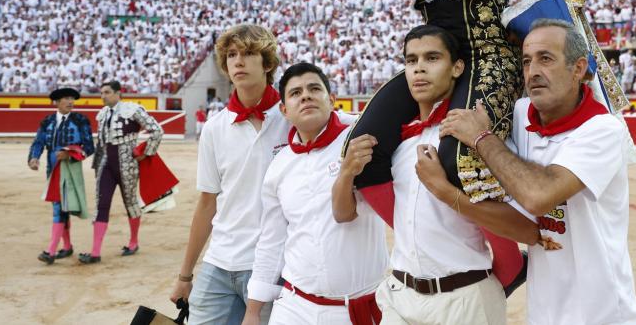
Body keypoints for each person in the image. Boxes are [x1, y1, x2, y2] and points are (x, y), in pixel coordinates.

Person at [284, 0, 621, 286]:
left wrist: (549, 24)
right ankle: (424, 247)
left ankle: (507, 267)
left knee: (460, 161)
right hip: (433, 59)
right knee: (361, 152)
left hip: (490, 52)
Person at [441, 19, 636, 325]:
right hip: (544, 313)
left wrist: (482, 138)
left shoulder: (603, 129)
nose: (533, 71)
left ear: (578, 69)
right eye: (526, 61)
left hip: (602, 315)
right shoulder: (523, 112)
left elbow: (538, 197)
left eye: (546, 59)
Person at [333, 25, 539, 325]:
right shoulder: (397, 144)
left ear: (457, 67)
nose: (419, 69)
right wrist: (346, 172)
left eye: (432, 58)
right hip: (400, 294)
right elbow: (343, 212)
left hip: (465, 297)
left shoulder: (474, 139)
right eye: (411, 60)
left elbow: (514, 226)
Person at [241, 63, 388, 325]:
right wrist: (253, 311)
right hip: (294, 306)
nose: (305, 96)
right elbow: (272, 241)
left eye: (314, 89)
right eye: (295, 93)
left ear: (332, 100)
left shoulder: (360, 143)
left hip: (354, 308)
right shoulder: (279, 166)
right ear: (284, 110)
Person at [169, 24, 289, 325]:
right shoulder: (214, 128)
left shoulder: (293, 119)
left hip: (273, 265)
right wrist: (185, 274)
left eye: (248, 54)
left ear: (268, 63)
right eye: (232, 54)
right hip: (219, 262)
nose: (238, 61)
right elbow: (207, 202)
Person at [79, 80, 164, 264]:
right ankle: (95, 252)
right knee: (102, 204)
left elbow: (157, 131)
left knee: (130, 203)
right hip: (106, 165)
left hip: (128, 164)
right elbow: (101, 145)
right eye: (101, 92)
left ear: (118, 93)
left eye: (107, 92)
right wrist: (97, 167)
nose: (103, 96)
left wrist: (145, 153)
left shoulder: (133, 110)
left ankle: (133, 242)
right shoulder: (102, 114)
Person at [28, 87, 94, 264]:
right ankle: (67, 246)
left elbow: (89, 147)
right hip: (52, 167)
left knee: (60, 206)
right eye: (66, 98)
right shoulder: (47, 121)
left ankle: (51, 250)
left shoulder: (80, 120)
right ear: (56, 102)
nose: (71, 102)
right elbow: (38, 142)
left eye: (72, 98)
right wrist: (34, 158)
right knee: (60, 205)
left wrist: (70, 154)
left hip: (70, 168)